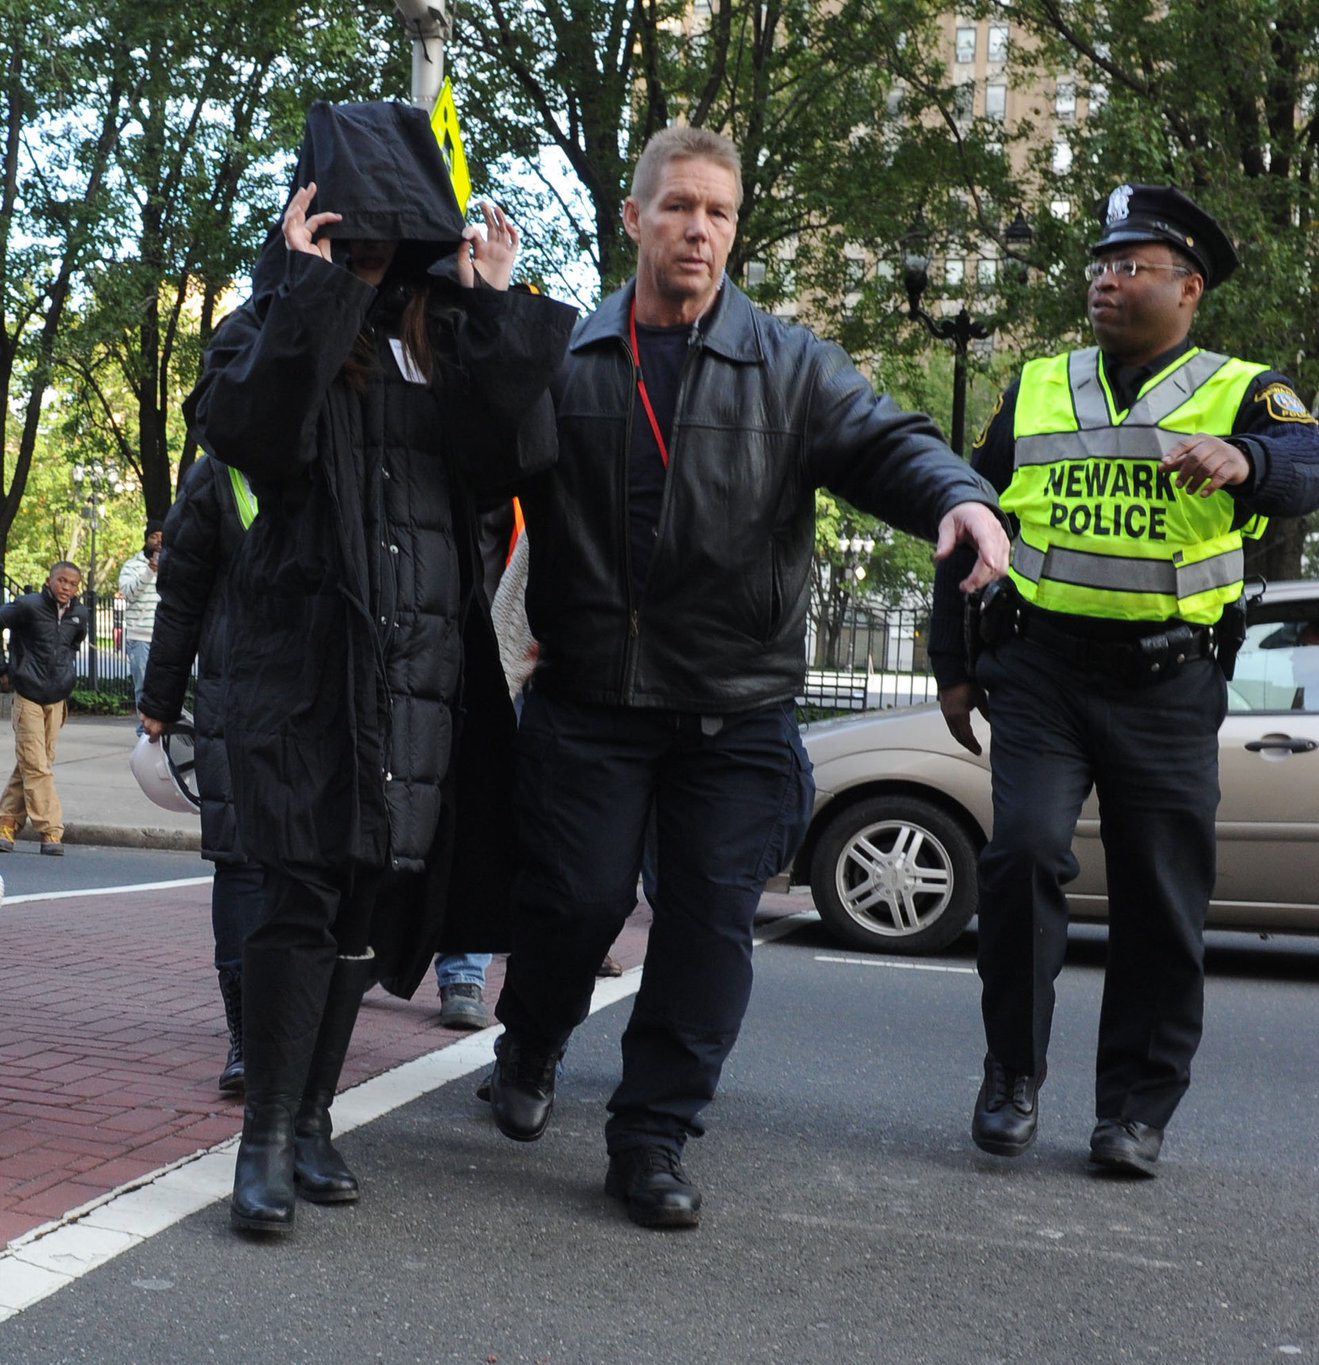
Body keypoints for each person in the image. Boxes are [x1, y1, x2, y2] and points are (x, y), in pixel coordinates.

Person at [486, 124, 1010, 1229]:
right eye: (676, 206)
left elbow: (887, 441)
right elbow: (474, 468)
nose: (697, 229)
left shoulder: (789, 362)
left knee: (707, 930)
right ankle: (530, 1039)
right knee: (572, 905)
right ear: (630, 219)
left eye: (718, 212)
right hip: (587, 701)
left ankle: (653, 1135)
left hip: (733, 711)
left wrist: (954, 497)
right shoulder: (567, 356)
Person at [184, 100, 575, 1236]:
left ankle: (310, 1118)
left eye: (381, 250)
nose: (369, 268)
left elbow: (520, 456)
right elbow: (254, 435)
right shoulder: (267, 329)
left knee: (365, 909)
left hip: (417, 682)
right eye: (347, 244)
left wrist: (490, 309)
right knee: (295, 900)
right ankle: (263, 1142)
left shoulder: (437, 354)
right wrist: (310, 290)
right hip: (302, 679)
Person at [930, 184, 1319, 1178]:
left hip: (1168, 681)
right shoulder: (1035, 384)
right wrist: (953, 664)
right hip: (1039, 671)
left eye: (1130, 266)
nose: (1105, 280)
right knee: (1017, 856)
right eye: (1099, 265)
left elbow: (1308, 457)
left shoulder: (1243, 388)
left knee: (1158, 897)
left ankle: (1132, 1115)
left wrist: (1246, 459)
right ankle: (1009, 1077)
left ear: (1186, 288)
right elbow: (965, 519)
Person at [137, 456, 267, 1095]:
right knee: (240, 856)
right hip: (235, 693)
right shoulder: (219, 471)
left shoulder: (351, 433)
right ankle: (246, 1035)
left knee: (319, 865)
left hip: (329, 691)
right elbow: (181, 592)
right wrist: (160, 701)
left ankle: (298, 1026)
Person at [0, 563, 90, 857]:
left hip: (57, 698)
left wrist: (66, 675)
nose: (66, 587)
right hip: (28, 694)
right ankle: (51, 829)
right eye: (61, 581)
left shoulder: (80, 615)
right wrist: (5, 668)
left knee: (34, 763)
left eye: (72, 583)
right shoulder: (27, 606)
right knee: (37, 765)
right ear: (48, 581)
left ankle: (6, 821)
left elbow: (73, 645)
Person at [120, 520, 164, 729]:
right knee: (144, 687)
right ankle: (144, 731)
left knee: (164, 686)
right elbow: (128, 593)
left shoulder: (173, 564)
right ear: (146, 539)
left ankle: (161, 728)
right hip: (141, 637)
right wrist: (149, 573)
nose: (158, 541)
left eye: (162, 537)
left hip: (165, 636)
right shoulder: (132, 565)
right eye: (154, 536)